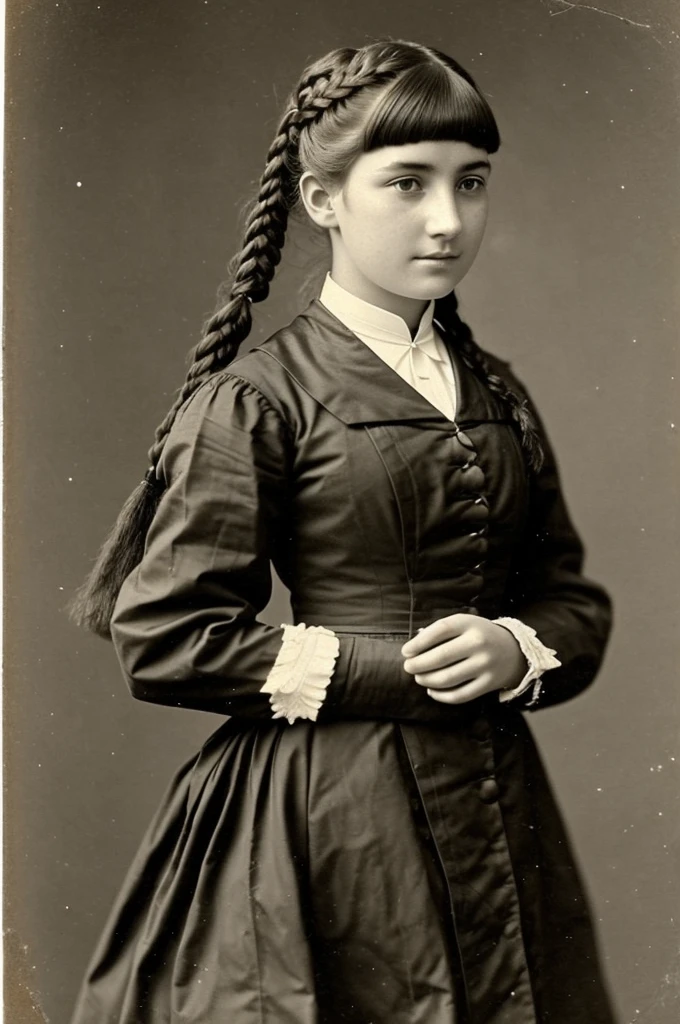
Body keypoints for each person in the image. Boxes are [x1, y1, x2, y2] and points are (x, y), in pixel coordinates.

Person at [68, 38, 616, 1024]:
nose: (447, 220)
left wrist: (511, 646)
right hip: (328, 820)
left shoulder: (495, 392)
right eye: (405, 183)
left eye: (470, 182)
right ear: (324, 201)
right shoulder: (255, 399)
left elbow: (570, 596)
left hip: (493, 804)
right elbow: (163, 635)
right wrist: (386, 669)